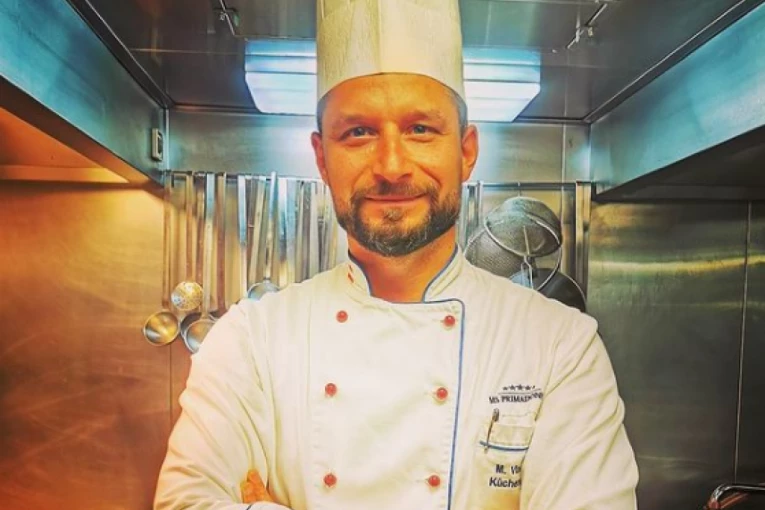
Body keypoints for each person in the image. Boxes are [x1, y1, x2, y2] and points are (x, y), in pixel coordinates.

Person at [154, 0, 639, 509]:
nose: (391, 166)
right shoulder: (250, 340)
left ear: (466, 151)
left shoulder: (561, 346)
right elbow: (185, 502)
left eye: (420, 129)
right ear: (322, 158)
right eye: (358, 132)